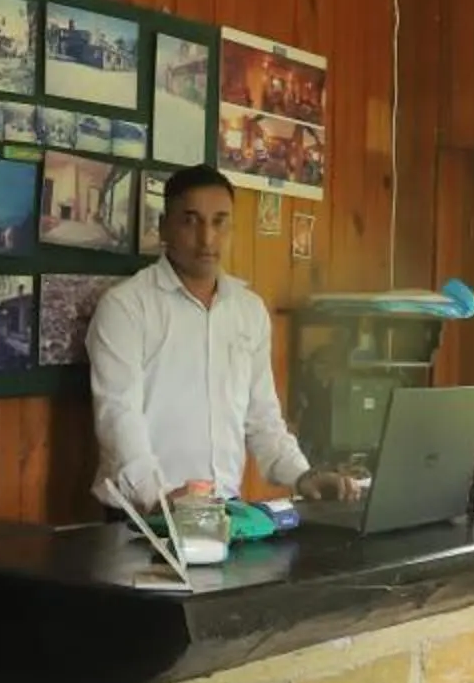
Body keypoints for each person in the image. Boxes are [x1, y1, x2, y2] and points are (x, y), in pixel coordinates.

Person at [85, 166, 352, 509]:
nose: (207, 238)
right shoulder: (126, 307)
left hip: (224, 512)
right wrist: (159, 499)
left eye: (219, 221)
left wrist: (303, 476)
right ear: (165, 226)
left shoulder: (249, 311)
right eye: (191, 220)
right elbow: (117, 415)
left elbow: (263, 419)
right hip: (142, 516)